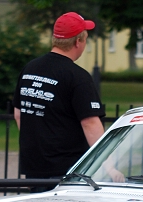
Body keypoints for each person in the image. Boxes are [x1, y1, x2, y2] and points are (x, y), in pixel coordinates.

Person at [13, 12, 121, 192]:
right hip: (68, 170)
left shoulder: (29, 68)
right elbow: (90, 123)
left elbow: (19, 114)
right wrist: (108, 167)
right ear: (78, 42)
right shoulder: (77, 77)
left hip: (34, 167)